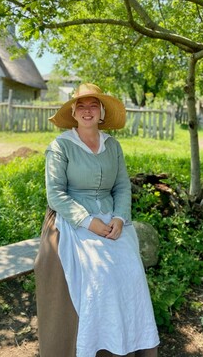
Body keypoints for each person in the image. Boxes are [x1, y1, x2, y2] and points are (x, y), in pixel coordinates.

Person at [35, 83, 160, 357]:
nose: (87, 111)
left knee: (131, 272)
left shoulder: (112, 146)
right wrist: (88, 221)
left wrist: (119, 217)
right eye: (81, 106)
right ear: (73, 112)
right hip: (73, 219)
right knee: (99, 274)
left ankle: (125, 344)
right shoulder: (60, 147)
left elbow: (122, 186)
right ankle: (95, 346)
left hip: (111, 219)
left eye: (93, 105)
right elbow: (55, 194)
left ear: (102, 112)